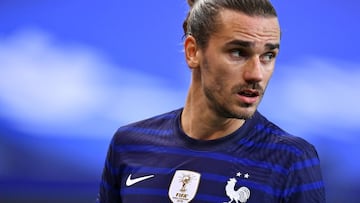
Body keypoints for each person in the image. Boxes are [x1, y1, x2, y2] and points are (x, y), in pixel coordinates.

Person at [96, 0, 326, 202]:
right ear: (193, 52)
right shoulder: (128, 144)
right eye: (238, 52)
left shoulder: (292, 160)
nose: (257, 74)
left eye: (268, 55)